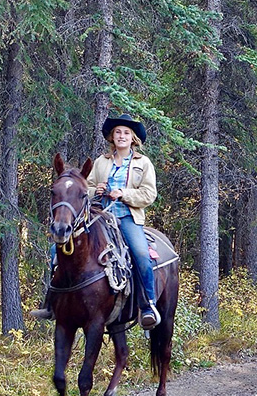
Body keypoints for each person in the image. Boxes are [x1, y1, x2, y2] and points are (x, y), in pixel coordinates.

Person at [32, 113, 161, 329]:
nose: (121, 136)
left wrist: (123, 193)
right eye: (118, 132)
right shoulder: (101, 162)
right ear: (112, 136)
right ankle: (51, 303)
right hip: (99, 216)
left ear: (133, 138)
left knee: (140, 254)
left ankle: (148, 305)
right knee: (57, 251)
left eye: (126, 133)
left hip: (128, 217)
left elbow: (150, 194)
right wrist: (95, 190)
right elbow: (83, 189)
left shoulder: (143, 163)